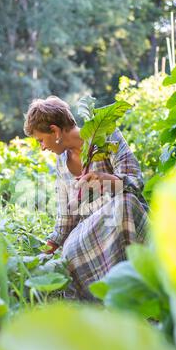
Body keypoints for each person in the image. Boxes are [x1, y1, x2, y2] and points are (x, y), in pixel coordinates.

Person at [24, 96, 149, 301]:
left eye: (40, 140)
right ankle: (105, 300)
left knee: (123, 204)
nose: (42, 147)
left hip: (123, 217)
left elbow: (135, 182)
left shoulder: (107, 137)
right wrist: (47, 251)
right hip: (92, 231)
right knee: (70, 249)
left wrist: (105, 179)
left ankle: (134, 290)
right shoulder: (62, 163)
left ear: (55, 131)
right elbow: (66, 215)